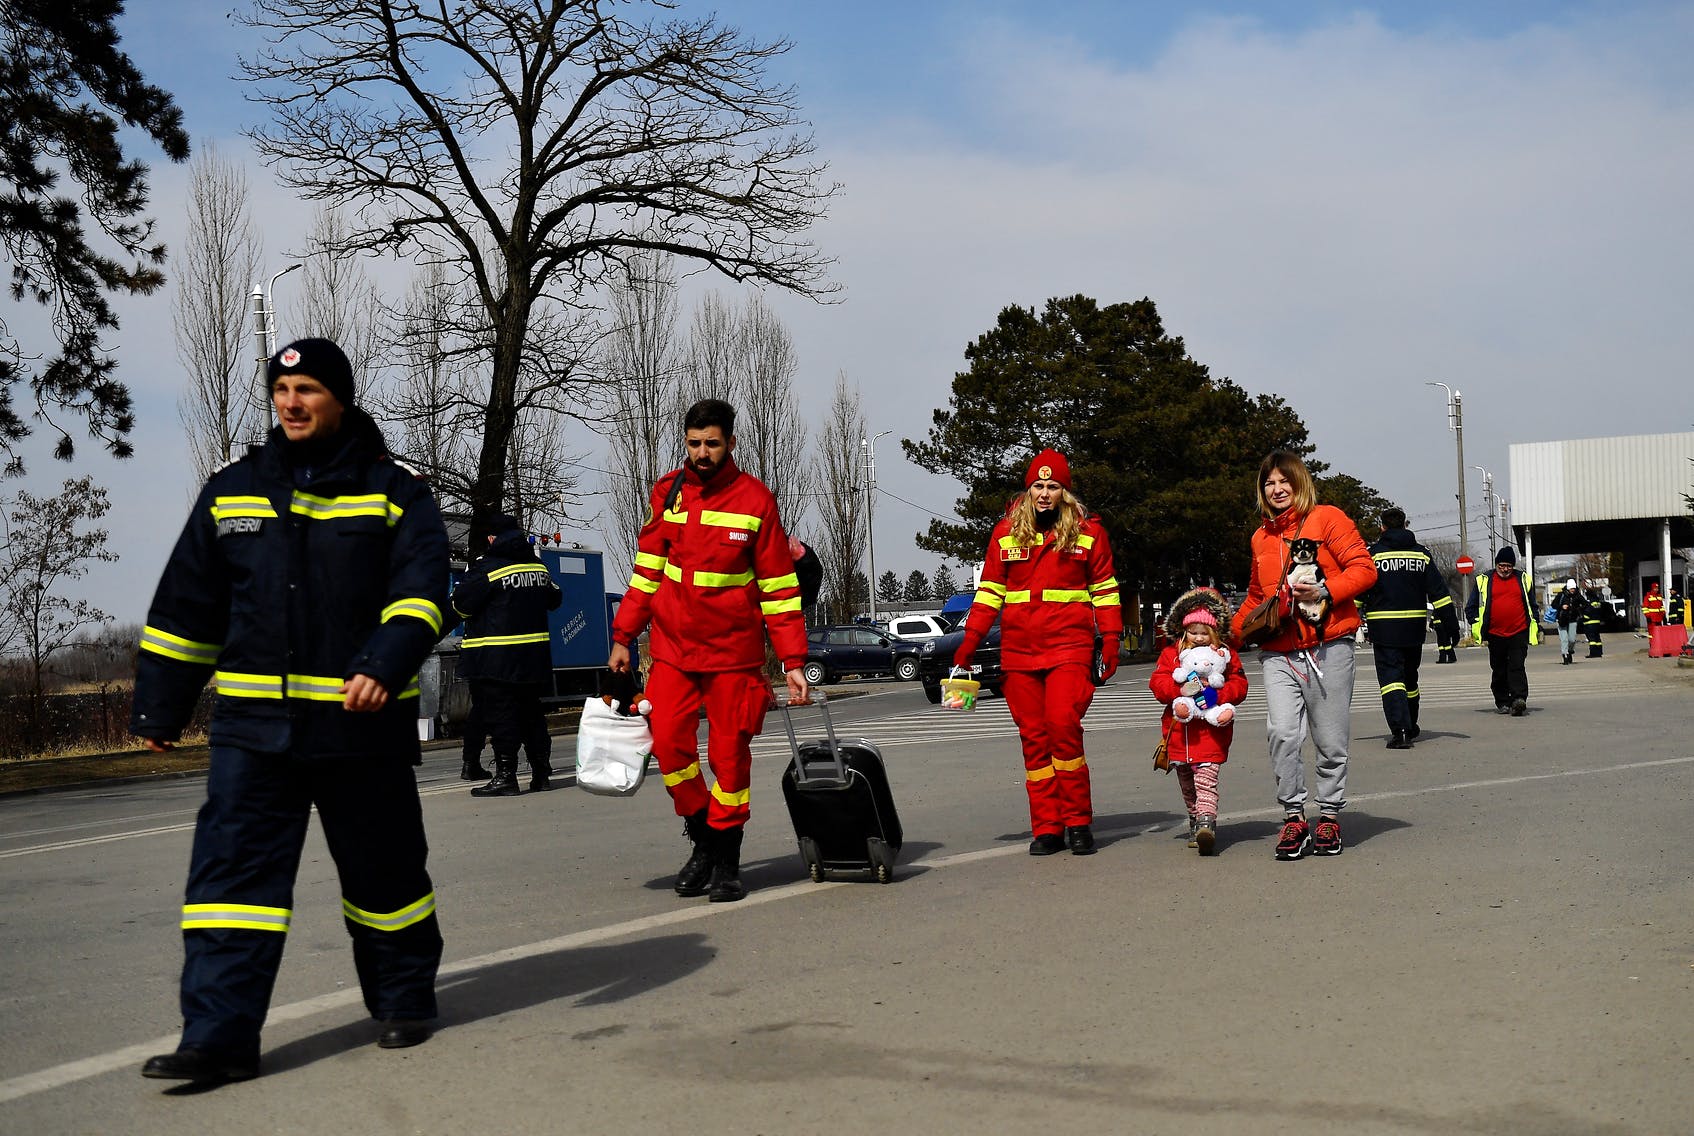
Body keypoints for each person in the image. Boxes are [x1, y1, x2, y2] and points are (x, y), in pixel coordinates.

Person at [130, 337, 450, 1084]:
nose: (291, 402)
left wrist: (383, 663)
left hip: (358, 729)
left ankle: (404, 998)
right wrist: (159, 707)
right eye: (281, 389)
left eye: (306, 389)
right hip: (252, 735)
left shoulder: (395, 490)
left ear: (339, 398)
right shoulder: (232, 489)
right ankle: (217, 1038)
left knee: (385, 878)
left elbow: (423, 589)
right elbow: (187, 606)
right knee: (229, 891)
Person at [607, 399, 809, 903]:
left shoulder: (756, 501)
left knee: (728, 758)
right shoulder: (667, 493)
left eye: (711, 443)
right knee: (669, 743)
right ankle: (703, 838)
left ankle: (726, 860)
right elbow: (646, 575)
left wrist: (793, 663)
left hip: (734, 658)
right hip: (673, 652)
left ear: (731, 444)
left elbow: (780, 590)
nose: (701, 453)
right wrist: (622, 637)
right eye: (694, 443)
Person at [952, 449, 1123, 856]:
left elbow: (1105, 590)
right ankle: (1048, 827)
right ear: (1028, 490)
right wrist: (968, 644)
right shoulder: (1006, 532)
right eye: (1038, 486)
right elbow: (989, 593)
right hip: (1019, 653)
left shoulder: (1088, 533)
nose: (1044, 493)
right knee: (1034, 739)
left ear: (1064, 491)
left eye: (1053, 486)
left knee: (1062, 726)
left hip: (1069, 647)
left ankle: (1078, 821)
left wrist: (1112, 639)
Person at [1228, 451, 1376, 861]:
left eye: (1283, 481)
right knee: (1282, 734)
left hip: (1329, 646)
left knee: (1330, 741)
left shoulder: (1328, 518)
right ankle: (1293, 817)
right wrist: (1225, 639)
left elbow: (1364, 569)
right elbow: (1259, 597)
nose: (1276, 490)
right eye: (1268, 483)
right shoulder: (1261, 537)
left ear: (1299, 483)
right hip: (1279, 652)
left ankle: (1328, 815)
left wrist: (1327, 591)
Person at [453, 513, 563, 796]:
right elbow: (555, 599)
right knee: (532, 715)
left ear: (492, 538)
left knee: (503, 718)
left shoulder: (487, 569)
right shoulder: (538, 567)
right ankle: (541, 773)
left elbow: (461, 605)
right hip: (534, 658)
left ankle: (506, 776)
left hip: (496, 661)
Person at [1148, 589, 1247, 855]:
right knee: (1187, 783)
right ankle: (1194, 818)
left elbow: (1240, 684)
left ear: (1215, 633)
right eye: (1193, 631)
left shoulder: (1225, 656)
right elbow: (1158, 684)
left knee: (1206, 780)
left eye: (1205, 632)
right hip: (1179, 732)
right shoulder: (1171, 655)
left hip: (1211, 733)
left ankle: (1206, 822)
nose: (1199, 637)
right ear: (1183, 631)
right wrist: (1181, 690)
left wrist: (1219, 694)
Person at [1361, 508, 1460, 748]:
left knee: (1391, 681)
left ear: (1382, 527)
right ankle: (1412, 724)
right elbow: (1440, 594)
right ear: (1405, 525)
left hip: (1384, 631)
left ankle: (1401, 730)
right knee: (1410, 680)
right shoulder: (1421, 555)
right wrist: (1452, 627)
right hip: (1414, 630)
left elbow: (1359, 591)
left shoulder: (1372, 555)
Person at [1466, 547, 1538, 716]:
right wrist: (1475, 623)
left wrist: (1535, 622)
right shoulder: (1484, 580)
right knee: (1499, 669)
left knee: (1517, 666)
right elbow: (1471, 607)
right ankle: (1502, 701)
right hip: (1495, 633)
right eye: (1502, 565)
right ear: (1496, 564)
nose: (1505, 569)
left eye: (1509, 566)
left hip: (1519, 631)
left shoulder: (1523, 579)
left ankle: (1519, 699)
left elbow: (1532, 605)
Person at [1552, 578, 1585, 665]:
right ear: (1568, 588)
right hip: (1562, 619)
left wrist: (1577, 609)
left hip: (1573, 619)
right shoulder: (1561, 595)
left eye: (1573, 588)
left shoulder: (1578, 595)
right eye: (1571, 589)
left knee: (1572, 639)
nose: (1572, 590)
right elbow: (1553, 604)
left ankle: (1570, 651)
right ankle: (1565, 655)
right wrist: (1561, 606)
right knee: (1564, 639)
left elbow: (1585, 604)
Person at [1580, 580, 1607, 658]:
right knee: (1597, 638)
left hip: (1590, 624)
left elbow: (1587, 613)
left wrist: (1583, 618)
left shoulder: (1590, 603)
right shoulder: (1598, 603)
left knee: (1591, 639)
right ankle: (1599, 652)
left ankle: (1593, 653)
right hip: (1597, 623)